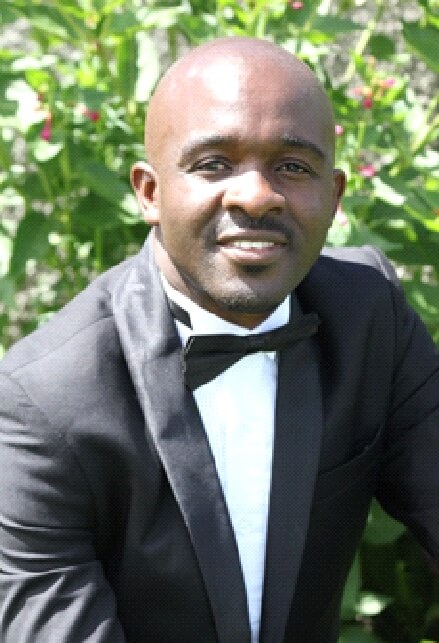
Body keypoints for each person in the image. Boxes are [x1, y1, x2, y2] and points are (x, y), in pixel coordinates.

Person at [0, 36, 438, 643]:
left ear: (334, 195)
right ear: (150, 193)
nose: (256, 196)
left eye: (293, 166)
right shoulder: (44, 401)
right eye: (213, 164)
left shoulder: (369, 314)